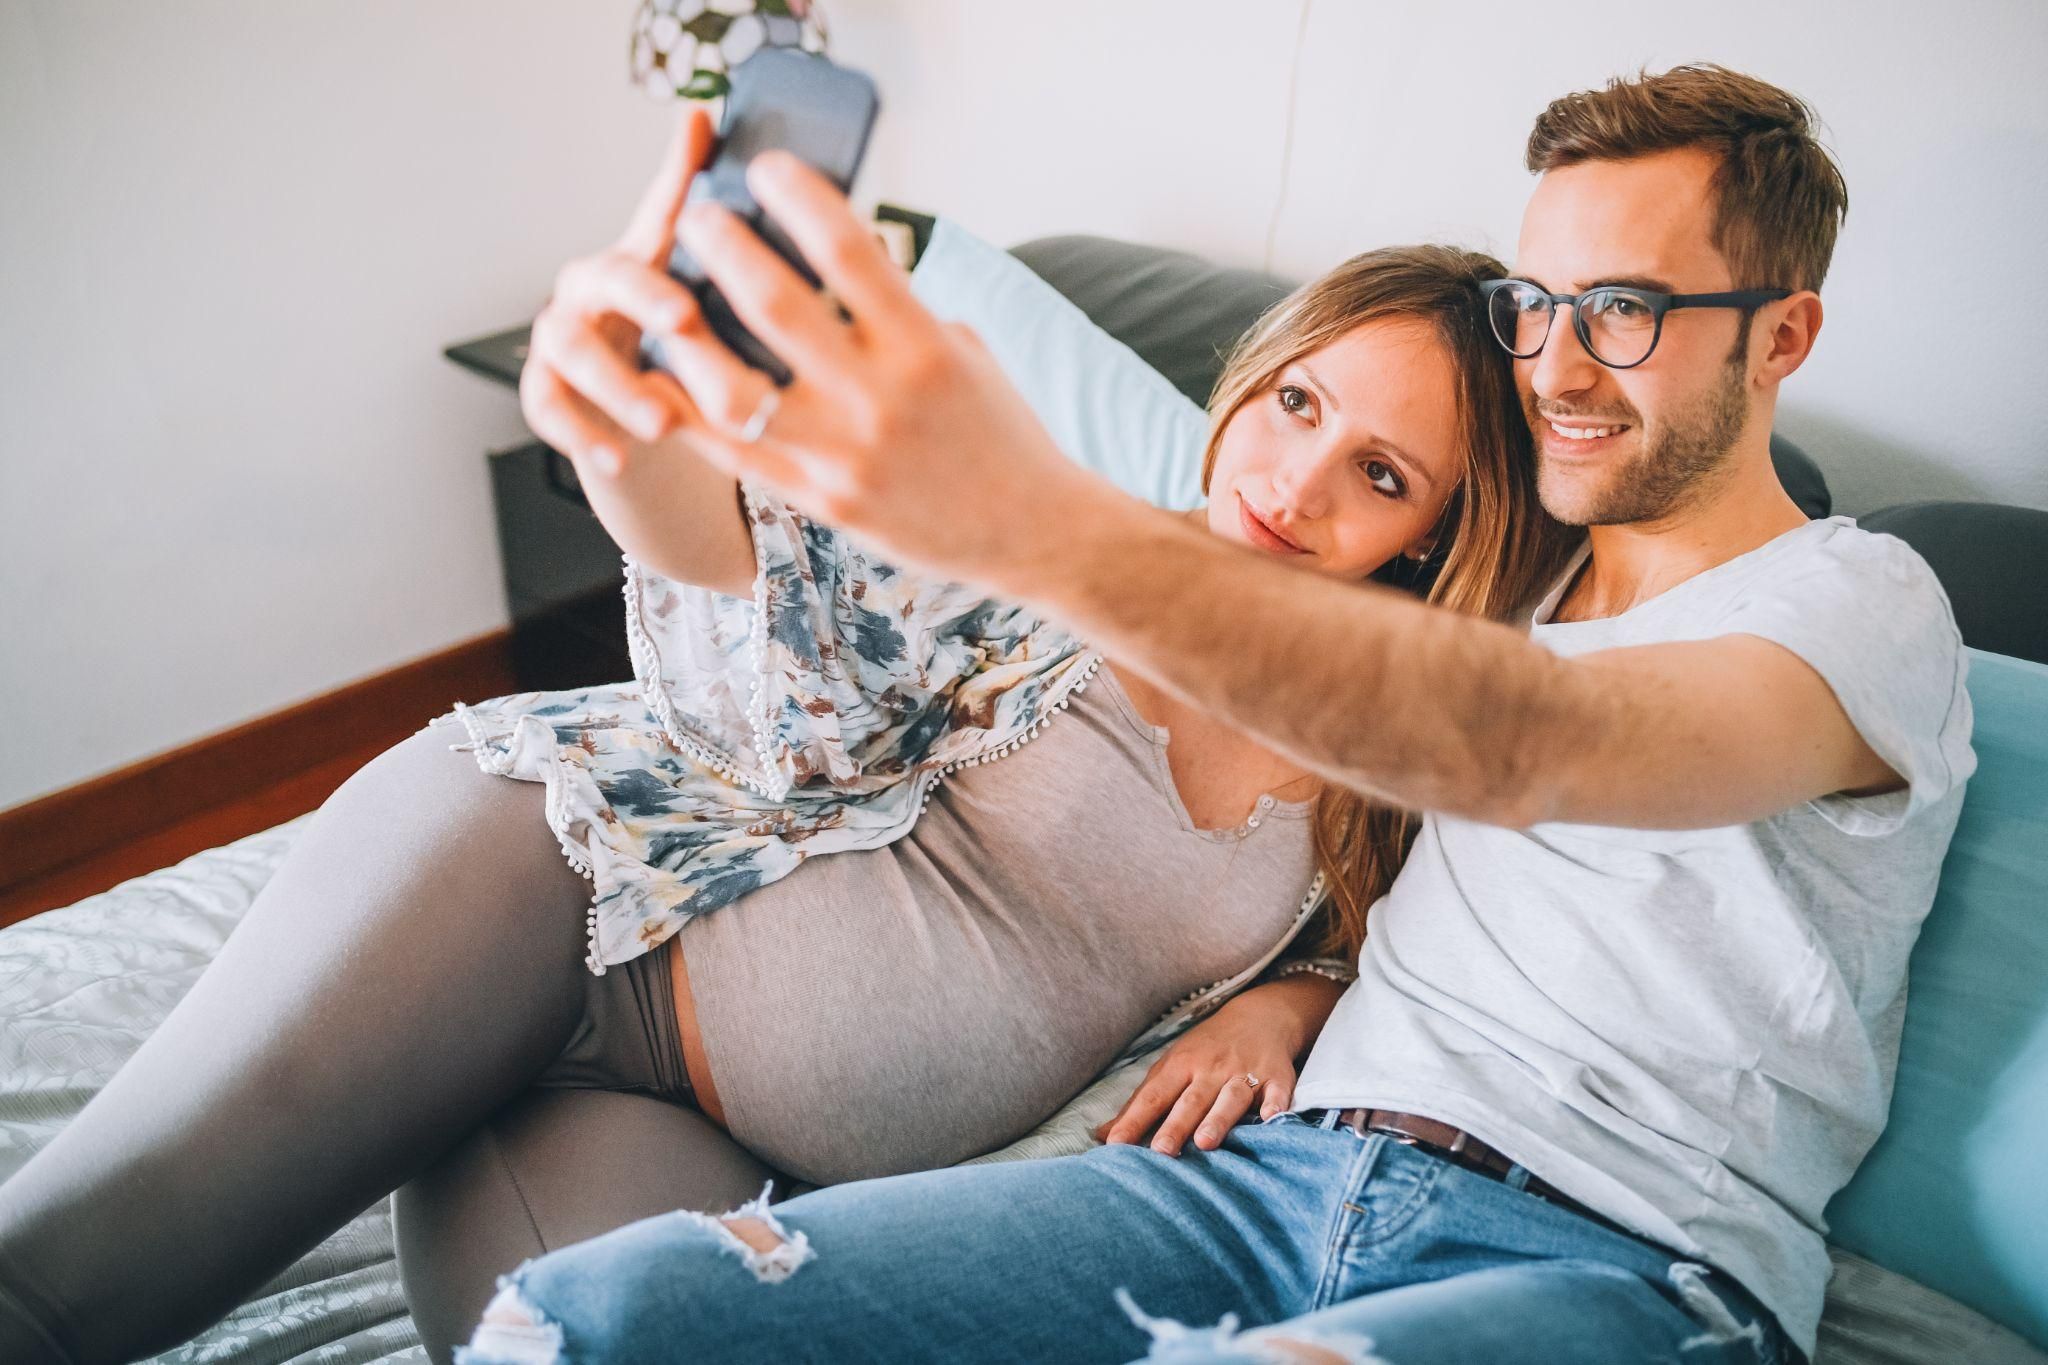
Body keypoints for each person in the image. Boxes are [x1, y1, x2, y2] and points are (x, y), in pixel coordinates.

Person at [0, 104, 1574, 1364]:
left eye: (1380, 473)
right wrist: (627, 431)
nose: (1297, 485)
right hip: (551, 893)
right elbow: (771, 595)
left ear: (1438, 539)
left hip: (671, 1130)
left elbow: (1420, 950)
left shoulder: (1389, 765)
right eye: (1300, 404)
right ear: (1251, 379)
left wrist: (1291, 1000)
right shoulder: (1052, 543)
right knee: (65, 1289)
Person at [454, 64, 1976, 1365]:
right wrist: (1304, 995)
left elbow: (1535, 745)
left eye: (1627, 312)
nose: (1558, 368)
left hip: (1628, 1262)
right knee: (602, 1312)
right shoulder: (1466, 590)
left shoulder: (1857, 607)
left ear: (1781, 337)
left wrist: (1022, 511)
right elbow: (1341, 811)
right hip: (1273, 1184)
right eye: (1538, 305)